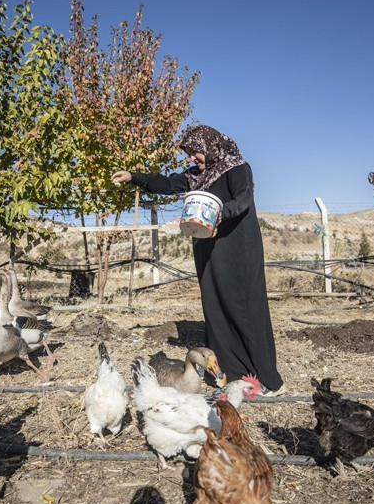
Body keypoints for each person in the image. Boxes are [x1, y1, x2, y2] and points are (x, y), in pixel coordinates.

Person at [111, 124, 285, 395]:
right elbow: (167, 184)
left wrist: (220, 213)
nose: (192, 159)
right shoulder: (197, 176)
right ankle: (232, 373)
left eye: (195, 152)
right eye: (189, 154)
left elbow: (244, 200)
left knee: (244, 307)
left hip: (238, 246)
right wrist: (134, 176)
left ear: (211, 147)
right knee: (214, 306)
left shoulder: (237, 168)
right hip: (207, 246)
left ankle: (265, 377)